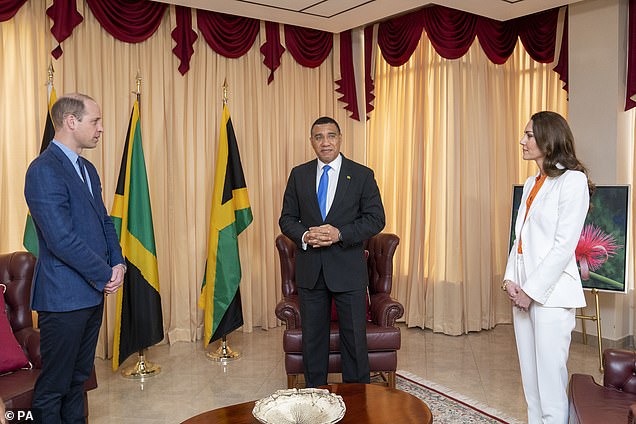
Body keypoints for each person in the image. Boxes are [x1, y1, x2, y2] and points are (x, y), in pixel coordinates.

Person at [24, 93, 126, 423]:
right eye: (95, 121)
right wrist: (104, 273)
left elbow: (104, 221)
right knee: (55, 387)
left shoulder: (88, 169)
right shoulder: (43, 170)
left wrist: (118, 263)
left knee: (77, 382)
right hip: (63, 297)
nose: (101, 128)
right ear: (72, 122)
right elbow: (60, 239)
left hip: (91, 293)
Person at [279, 116, 385, 388]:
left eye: (330, 136)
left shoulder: (362, 175)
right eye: (318, 137)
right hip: (311, 271)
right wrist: (304, 235)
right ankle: (316, 399)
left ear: (340, 138)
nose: (325, 142)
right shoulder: (298, 174)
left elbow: (376, 219)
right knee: (313, 341)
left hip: (348, 271)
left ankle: (357, 401)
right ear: (312, 142)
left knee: (354, 342)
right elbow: (287, 218)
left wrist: (340, 233)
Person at [503, 111, 592, 424]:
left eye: (529, 135)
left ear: (549, 139)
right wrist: (510, 280)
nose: (522, 141)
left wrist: (531, 291)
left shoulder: (574, 181)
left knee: (550, 383)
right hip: (522, 291)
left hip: (551, 295)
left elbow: (563, 246)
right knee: (531, 382)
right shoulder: (530, 183)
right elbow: (520, 239)